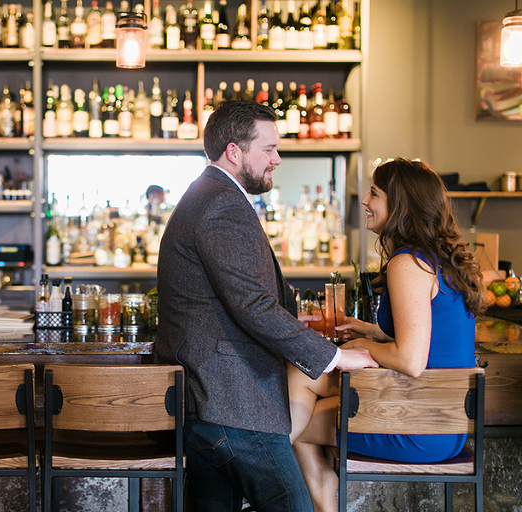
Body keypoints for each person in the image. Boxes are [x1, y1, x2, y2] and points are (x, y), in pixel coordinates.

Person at [154, 100, 378, 512]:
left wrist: (295, 315)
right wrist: (336, 356)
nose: (278, 159)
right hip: (232, 399)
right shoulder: (221, 203)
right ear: (234, 151)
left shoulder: (210, 195)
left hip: (208, 397)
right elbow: (253, 305)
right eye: (269, 149)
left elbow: (244, 293)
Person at [287, 157, 486, 512]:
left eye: (374, 194)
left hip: (415, 426)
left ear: (399, 205)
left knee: (299, 388)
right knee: (308, 386)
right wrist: (371, 330)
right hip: (444, 425)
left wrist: (361, 345)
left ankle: (299, 492)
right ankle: (313, 493)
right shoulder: (435, 260)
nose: (364, 201)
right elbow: (430, 334)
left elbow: (411, 359)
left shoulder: (407, 263)